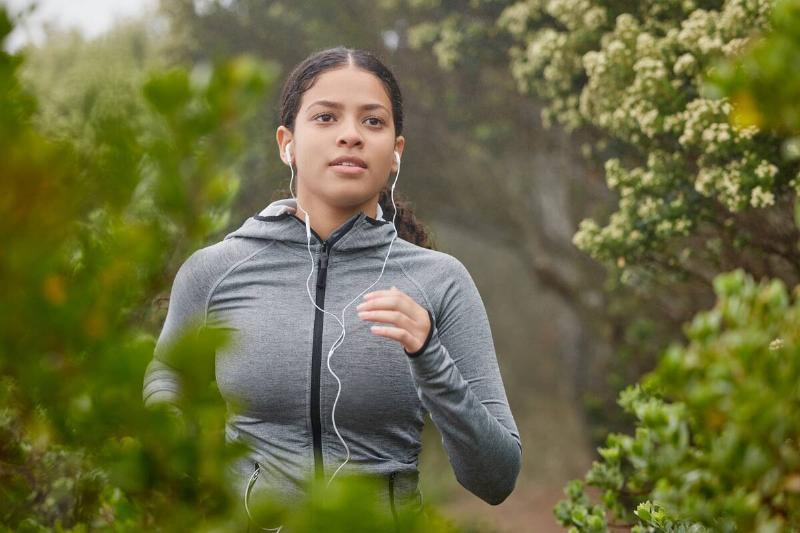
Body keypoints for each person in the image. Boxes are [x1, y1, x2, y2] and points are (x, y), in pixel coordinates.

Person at [142, 46, 522, 530]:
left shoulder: (440, 282)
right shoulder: (216, 271)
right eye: (325, 117)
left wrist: (429, 355)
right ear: (288, 143)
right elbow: (165, 378)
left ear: (395, 153)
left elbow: (497, 478)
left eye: (372, 122)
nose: (350, 135)